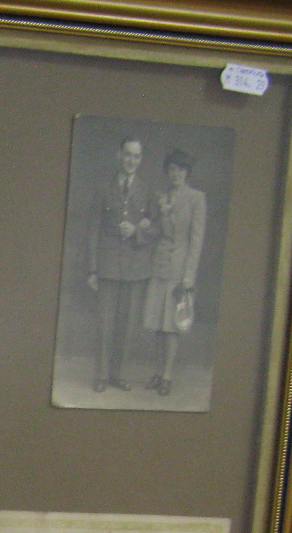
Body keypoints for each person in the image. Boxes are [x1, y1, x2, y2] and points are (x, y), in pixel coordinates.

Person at [87, 136, 160, 392]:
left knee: (125, 325)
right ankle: (102, 376)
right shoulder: (103, 187)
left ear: (141, 160)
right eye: (128, 154)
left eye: (136, 156)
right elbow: (93, 228)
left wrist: (138, 232)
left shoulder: (148, 189)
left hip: (134, 267)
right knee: (104, 323)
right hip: (107, 264)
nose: (131, 160)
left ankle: (117, 375)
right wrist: (93, 268)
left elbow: (157, 227)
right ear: (119, 155)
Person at [142, 148, 206, 397]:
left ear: (187, 173)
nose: (175, 174)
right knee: (157, 325)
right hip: (159, 266)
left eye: (179, 170)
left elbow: (196, 240)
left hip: (179, 270)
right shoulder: (162, 196)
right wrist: (147, 227)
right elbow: (158, 231)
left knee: (171, 326)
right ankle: (157, 373)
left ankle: (168, 376)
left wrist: (189, 277)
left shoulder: (196, 198)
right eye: (171, 170)